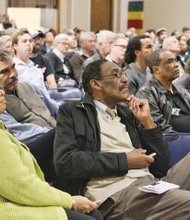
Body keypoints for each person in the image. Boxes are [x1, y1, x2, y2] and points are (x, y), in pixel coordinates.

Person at [52, 59, 190, 219]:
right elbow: (65, 162)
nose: (124, 79)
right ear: (96, 84)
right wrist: (124, 160)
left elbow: (162, 166)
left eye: (123, 74)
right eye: (116, 75)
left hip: (151, 184)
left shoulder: (127, 114)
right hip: (116, 196)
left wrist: (148, 122)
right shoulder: (73, 111)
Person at [0, 82, 102, 220]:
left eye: (0, 87)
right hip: (10, 209)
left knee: (93, 213)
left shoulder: (27, 87)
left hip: (17, 197)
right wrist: (68, 200)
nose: (1, 92)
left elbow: (56, 109)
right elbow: (21, 187)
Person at [0, 49, 58, 182]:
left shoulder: (29, 86)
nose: (13, 74)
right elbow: (21, 134)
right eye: (4, 72)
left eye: (13, 67)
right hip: (30, 149)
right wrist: (62, 132)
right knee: (59, 135)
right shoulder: (1, 102)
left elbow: (55, 109)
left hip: (55, 136)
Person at [137, 49, 190, 133]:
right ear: (156, 69)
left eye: (176, 60)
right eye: (170, 62)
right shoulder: (146, 93)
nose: (176, 65)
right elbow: (159, 128)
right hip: (175, 141)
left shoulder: (181, 90)